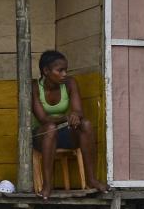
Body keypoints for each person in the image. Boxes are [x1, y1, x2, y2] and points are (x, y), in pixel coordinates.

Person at [31, 50, 108, 199]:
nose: (64, 74)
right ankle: (47, 185)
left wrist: (75, 116)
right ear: (46, 71)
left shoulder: (70, 83)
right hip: (41, 136)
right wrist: (67, 117)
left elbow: (78, 111)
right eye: (59, 70)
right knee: (50, 128)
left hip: (63, 135)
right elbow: (43, 119)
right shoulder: (35, 87)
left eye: (65, 70)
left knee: (85, 124)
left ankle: (91, 179)